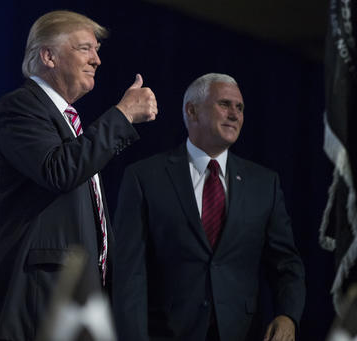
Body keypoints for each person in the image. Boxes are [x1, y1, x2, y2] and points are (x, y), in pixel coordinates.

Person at [0, 10, 157, 341]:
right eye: (84, 48)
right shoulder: (19, 109)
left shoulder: (66, 121)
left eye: (97, 51)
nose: (96, 60)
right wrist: (122, 116)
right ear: (48, 56)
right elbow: (59, 170)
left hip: (71, 308)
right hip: (31, 304)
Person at [112, 73, 305, 341]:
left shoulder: (264, 183)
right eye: (224, 104)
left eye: (240, 108)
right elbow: (128, 273)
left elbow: (286, 264)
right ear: (192, 111)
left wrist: (288, 315)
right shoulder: (145, 177)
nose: (235, 114)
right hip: (166, 333)